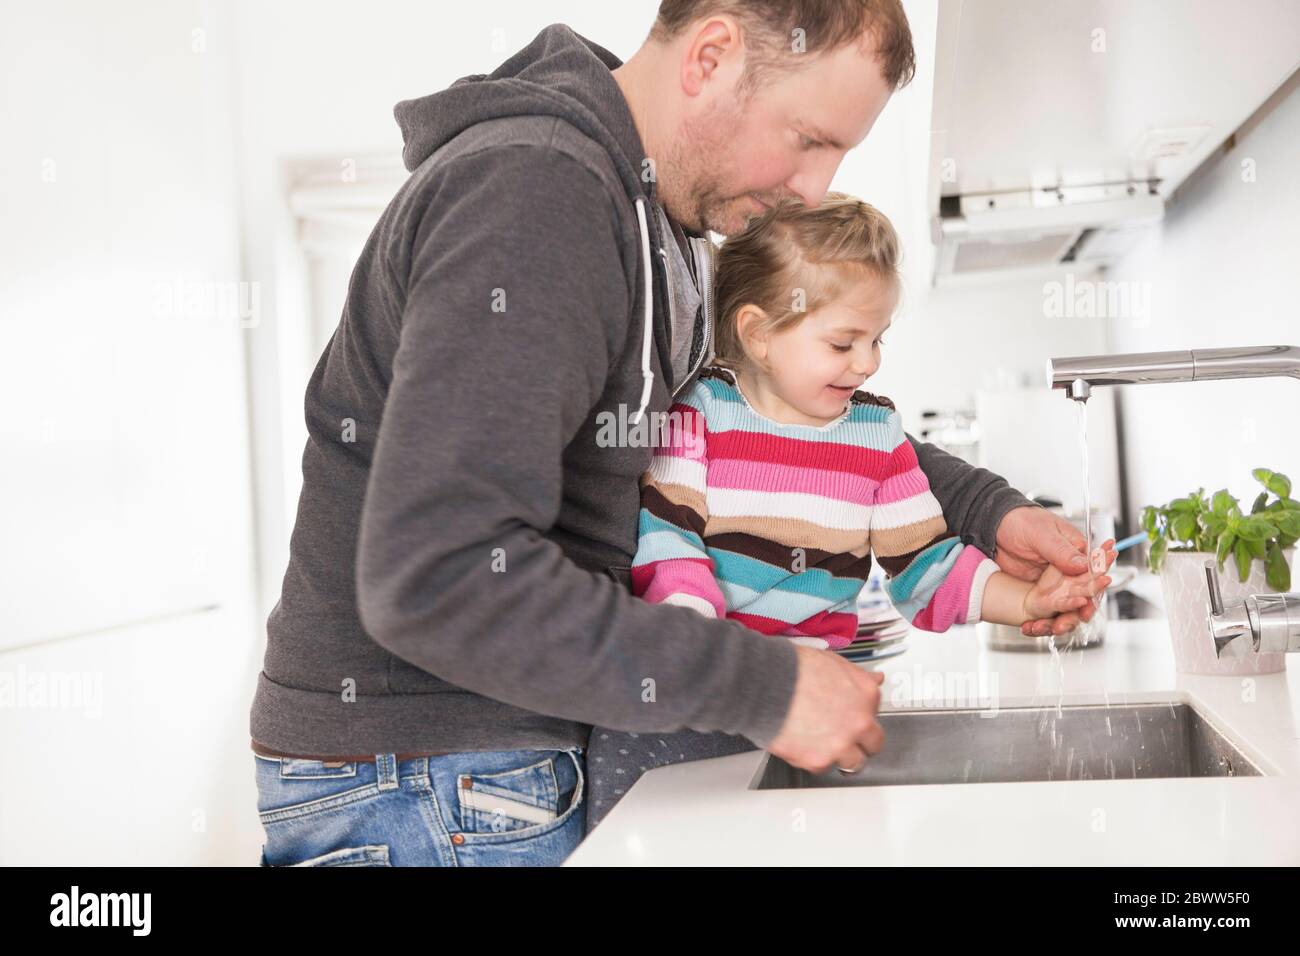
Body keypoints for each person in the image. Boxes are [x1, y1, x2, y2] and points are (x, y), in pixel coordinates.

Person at [249, 2, 1103, 867]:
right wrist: (765, 685)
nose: (814, 186)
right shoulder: (539, 196)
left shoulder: (660, 217)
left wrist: (984, 511)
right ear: (713, 54)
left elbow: (768, 430)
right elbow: (439, 571)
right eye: (809, 138)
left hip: (475, 770)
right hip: (433, 778)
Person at [585, 195, 1117, 829]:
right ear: (758, 334)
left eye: (877, 339)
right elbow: (672, 553)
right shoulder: (696, 417)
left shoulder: (876, 435)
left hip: (811, 714)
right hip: (688, 708)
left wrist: (1024, 602)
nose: (868, 362)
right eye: (843, 341)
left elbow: (926, 567)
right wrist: (719, 672)